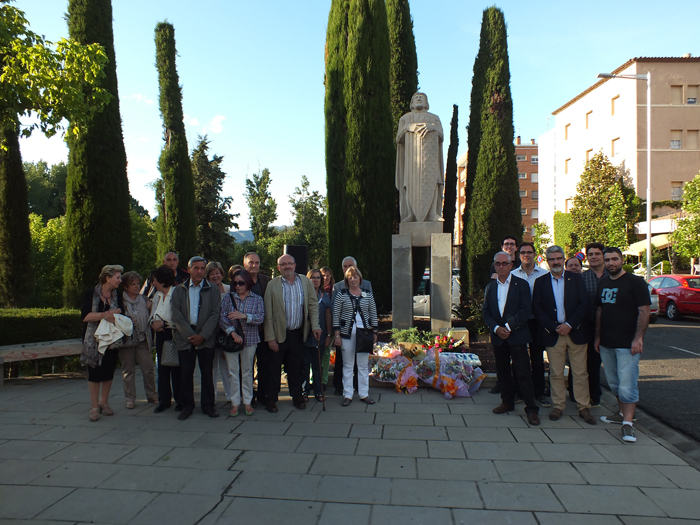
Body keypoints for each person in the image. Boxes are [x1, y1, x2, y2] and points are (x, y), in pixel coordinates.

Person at [532, 245, 595, 424]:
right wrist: (554, 327)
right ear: (547, 261)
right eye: (552, 259)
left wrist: (569, 324)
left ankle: (584, 406)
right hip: (554, 334)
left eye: (559, 258)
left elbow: (584, 304)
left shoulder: (576, 279)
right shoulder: (541, 282)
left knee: (580, 372)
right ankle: (558, 406)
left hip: (576, 332)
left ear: (563, 258)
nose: (556, 262)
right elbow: (537, 308)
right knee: (556, 373)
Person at [595, 247, 651, 443]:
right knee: (615, 384)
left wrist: (638, 338)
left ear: (622, 260)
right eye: (608, 260)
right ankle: (620, 414)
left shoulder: (635, 283)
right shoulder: (602, 283)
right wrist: (598, 337)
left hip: (628, 344)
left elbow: (644, 312)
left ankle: (628, 424)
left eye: (614, 259)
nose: (611, 263)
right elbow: (600, 312)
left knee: (627, 386)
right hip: (607, 343)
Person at [482, 252, 540, 426]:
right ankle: (507, 402)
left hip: (517, 335)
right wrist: (496, 328)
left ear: (511, 264)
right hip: (498, 337)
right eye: (498, 264)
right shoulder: (490, 287)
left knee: (523, 373)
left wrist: (507, 327)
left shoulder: (521, 285)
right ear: (494, 265)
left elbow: (525, 310)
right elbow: (486, 312)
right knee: (503, 372)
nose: (501, 267)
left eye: (504, 264)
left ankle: (531, 409)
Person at [263, 254, 321, 413]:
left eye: (290, 264)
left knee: (296, 368)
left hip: (297, 333)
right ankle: (272, 400)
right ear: (278, 268)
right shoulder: (272, 285)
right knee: (274, 368)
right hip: (278, 334)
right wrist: (270, 338)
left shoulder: (305, 282)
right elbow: (267, 314)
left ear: (295, 265)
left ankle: (297, 397)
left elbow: (313, 305)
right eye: (283, 264)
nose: (287, 267)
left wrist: (316, 326)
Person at [171, 256, 222, 420]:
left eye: (202, 268)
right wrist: (190, 335)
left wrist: (203, 335)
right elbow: (176, 315)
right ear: (189, 269)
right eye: (196, 268)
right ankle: (187, 406)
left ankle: (208, 405)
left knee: (207, 373)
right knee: (185, 373)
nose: (199, 271)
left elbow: (215, 314)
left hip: (205, 337)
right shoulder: (179, 290)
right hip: (185, 337)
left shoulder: (212, 289)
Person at [80, 264, 125, 422]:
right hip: (93, 339)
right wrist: (106, 314)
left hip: (111, 339)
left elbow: (121, 315)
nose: (120, 280)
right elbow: (86, 316)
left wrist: (115, 317)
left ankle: (104, 402)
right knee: (94, 372)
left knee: (108, 371)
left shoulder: (117, 295)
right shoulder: (90, 294)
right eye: (118, 277)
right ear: (108, 278)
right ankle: (93, 406)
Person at [220, 269, 264, 417]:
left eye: (241, 283)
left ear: (248, 283)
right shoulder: (228, 298)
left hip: (250, 339)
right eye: (235, 283)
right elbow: (223, 318)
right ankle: (234, 402)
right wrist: (232, 332)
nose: (238, 286)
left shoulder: (257, 299)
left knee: (247, 371)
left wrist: (244, 315)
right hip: (232, 340)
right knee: (232, 372)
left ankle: (247, 401)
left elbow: (260, 318)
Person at [332, 266, 378, 406]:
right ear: (346, 279)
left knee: (363, 365)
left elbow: (373, 313)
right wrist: (337, 335)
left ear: (360, 279)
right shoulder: (341, 294)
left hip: (364, 334)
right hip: (346, 334)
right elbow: (336, 315)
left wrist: (375, 332)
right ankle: (348, 394)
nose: (353, 280)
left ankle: (364, 394)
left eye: (355, 277)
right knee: (348, 365)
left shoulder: (367, 294)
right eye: (350, 277)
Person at [511, 241, 549, 407]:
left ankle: (539, 392)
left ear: (535, 254)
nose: (526, 255)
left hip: (537, 322)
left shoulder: (544, 274)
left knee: (538, 358)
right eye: (523, 252)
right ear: (519, 256)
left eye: (529, 252)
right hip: (519, 322)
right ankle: (519, 391)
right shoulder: (513, 275)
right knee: (519, 358)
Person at [395, 92, 444, 223]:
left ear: (426, 103)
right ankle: (411, 214)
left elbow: (441, 136)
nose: (418, 99)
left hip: (430, 161)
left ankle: (433, 214)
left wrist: (431, 127)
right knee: (408, 184)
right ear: (411, 104)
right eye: (415, 98)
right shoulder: (405, 119)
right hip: (411, 161)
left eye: (421, 97)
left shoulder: (434, 118)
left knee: (434, 181)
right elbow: (398, 138)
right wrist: (408, 128)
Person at [573, 242, 608, 407]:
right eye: (591, 254)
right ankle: (592, 396)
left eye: (597, 254)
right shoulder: (581, 278)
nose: (594, 257)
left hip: (611, 327)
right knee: (588, 364)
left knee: (612, 365)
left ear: (603, 256)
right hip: (587, 326)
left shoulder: (613, 276)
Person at [118, 271, 157, 409]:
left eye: (137, 284)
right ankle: (130, 398)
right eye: (132, 284)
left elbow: (154, 314)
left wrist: (151, 306)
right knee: (128, 370)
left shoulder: (144, 299)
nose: (136, 286)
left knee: (148, 368)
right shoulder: (120, 301)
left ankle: (152, 395)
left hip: (142, 338)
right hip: (127, 340)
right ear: (126, 287)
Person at [149, 266, 181, 414]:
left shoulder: (176, 294)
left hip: (173, 333)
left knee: (176, 368)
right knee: (161, 369)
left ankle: (180, 400)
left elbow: (181, 317)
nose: (153, 283)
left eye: (154, 280)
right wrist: (153, 324)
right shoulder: (156, 296)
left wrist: (165, 324)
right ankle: (164, 400)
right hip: (160, 335)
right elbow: (153, 315)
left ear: (162, 280)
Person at [242, 252, 271, 408]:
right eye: (251, 262)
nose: (254, 265)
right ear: (245, 264)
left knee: (264, 364)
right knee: (246, 366)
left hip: (262, 330)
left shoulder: (266, 280)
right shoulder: (239, 280)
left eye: (256, 263)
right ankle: (247, 395)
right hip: (245, 331)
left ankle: (262, 394)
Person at [302, 269, 332, 402]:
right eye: (312, 277)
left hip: (320, 336)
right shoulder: (303, 295)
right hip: (304, 335)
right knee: (304, 365)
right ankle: (304, 391)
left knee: (318, 365)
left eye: (318, 277)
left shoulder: (324, 296)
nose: (315, 280)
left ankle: (319, 391)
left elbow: (328, 316)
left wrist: (329, 335)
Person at [207, 261, 231, 405]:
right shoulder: (206, 290)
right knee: (212, 365)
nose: (215, 276)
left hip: (226, 331)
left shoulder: (229, 289)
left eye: (217, 273)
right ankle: (212, 395)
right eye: (212, 274)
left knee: (226, 364)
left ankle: (230, 395)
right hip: (211, 332)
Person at [319, 266, 336, 387]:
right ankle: (313, 379)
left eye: (328, 275)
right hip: (316, 328)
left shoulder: (334, 291)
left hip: (330, 328)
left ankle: (323, 380)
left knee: (325, 354)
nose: (326, 277)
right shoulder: (314, 291)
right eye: (323, 275)